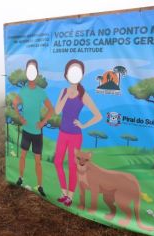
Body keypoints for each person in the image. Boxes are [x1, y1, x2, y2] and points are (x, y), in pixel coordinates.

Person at [54, 59, 102, 207]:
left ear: (82, 75)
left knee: (72, 166)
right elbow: (57, 111)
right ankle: (63, 193)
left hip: (75, 135)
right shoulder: (63, 91)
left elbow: (98, 115)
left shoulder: (83, 94)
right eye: (71, 71)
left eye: (77, 71)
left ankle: (70, 196)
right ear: (66, 74)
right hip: (62, 133)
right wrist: (66, 96)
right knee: (57, 162)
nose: (74, 74)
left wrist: (83, 125)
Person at [13, 59, 53, 197]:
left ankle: (40, 186)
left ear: (36, 73)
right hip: (26, 131)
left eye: (33, 69)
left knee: (38, 162)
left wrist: (43, 123)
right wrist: (20, 117)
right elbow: (14, 103)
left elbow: (51, 109)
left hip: (37, 133)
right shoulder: (23, 90)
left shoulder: (41, 92)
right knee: (22, 156)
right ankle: (20, 178)